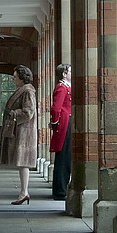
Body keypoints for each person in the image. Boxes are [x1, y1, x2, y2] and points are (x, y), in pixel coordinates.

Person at [0, 65, 38, 205]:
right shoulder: (24, 90)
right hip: (22, 131)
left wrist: (13, 113)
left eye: (15, 77)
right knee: (22, 163)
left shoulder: (28, 91)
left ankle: (24, 192)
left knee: (24, 162)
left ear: (22, 78)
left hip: (25, 132)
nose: (13, 79)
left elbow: (28, 112)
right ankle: (23, 192)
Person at [49, 63, 72, 201]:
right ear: (64, 74)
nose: (71, 74)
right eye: (70, 72)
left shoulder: (66, 87)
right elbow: (56, 108)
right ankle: (60, 191)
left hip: (67, 123)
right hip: (64, 125)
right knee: (63, 158)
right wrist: (55, 123)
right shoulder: (61, 87)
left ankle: (62, 188)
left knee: (66, 157)